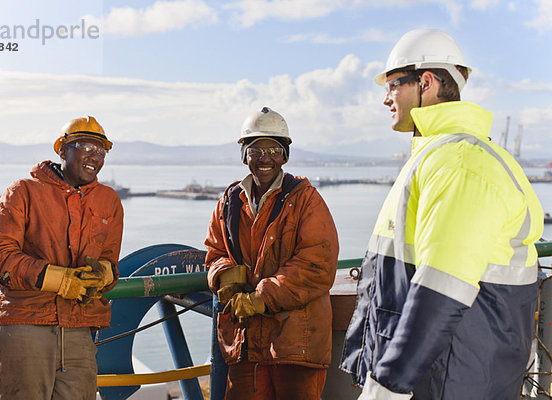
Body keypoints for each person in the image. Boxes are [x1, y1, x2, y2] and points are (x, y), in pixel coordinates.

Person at [340, 28, 544, 400]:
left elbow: (441, 290)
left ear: (427, 82)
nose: (386, 99)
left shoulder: (459, 165)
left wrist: (387, 385)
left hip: (450, 380)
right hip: (442, 373)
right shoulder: (438, 157)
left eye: (393, 86)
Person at [0, 116, 124, 400]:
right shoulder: (22, 192)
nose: (95, 156)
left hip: (79, 330)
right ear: (62, 150)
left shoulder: (109, 201)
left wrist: (105, 274)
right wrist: (55, 279)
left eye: (101, 150)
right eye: (85, 146)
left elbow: (109, 258)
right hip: (26, 326)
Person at [204, 107, 339, 400]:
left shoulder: (306, 200)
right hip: (247, 342)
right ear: (244, 155)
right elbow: (214, 251)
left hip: (295, 342)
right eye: (256, 150)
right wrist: (225, 275)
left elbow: (317, 264)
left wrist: (262, 297)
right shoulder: (229, 202)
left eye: (274, 149)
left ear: (285, 156)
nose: (265, 158)